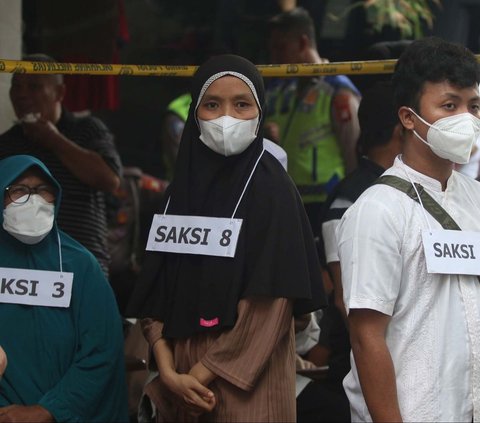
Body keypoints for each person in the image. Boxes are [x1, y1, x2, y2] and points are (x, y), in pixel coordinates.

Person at [126, 54, 326, 422]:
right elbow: (156, 290)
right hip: (180, 376)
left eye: (241, 105)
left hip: (248, 381)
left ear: (260, 113)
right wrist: (169, 373)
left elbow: (269, 309)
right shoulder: (179, 192)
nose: (226, 118)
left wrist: (194, 378)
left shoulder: (272, 190)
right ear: (194, 113)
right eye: (212, 105)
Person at [337, 36, 480, 421]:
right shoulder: (377, 211)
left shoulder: (476, 199)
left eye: (474, 106)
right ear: (407, 118)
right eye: (449, 105)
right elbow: (367, 338)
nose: (466, 119)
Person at [0, 154, 128, 422]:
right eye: (19, 190)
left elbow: (101, 351)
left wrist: (49, 410)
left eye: (42, 190)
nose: (32, 200)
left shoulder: (81, 266)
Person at [0, 53, 122, 275]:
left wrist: (54, 140)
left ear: (60, 92)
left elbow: (110, 180)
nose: (22, 95)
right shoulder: (6, 144)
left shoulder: (88, 129)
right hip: (22, 268)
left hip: (82, 263)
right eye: (16, 87)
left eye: (34, 87)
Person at [265, 7, 361, 236]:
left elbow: (354, 154)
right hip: (281, 201)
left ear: (302, 43)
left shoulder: (337, 90)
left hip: (325, 205)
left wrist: (352, 204)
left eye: (281, 48)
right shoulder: (277, 91)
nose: (274, 57)